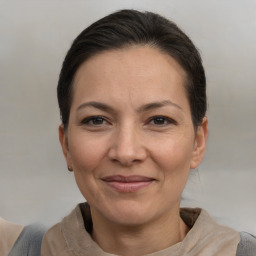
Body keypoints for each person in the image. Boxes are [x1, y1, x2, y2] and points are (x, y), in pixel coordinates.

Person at [41, 9, 256, 256]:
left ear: (198, 142)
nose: (126, 152)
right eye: (97, 120)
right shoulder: (24, 249)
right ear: (66, 144)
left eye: (159, 120)